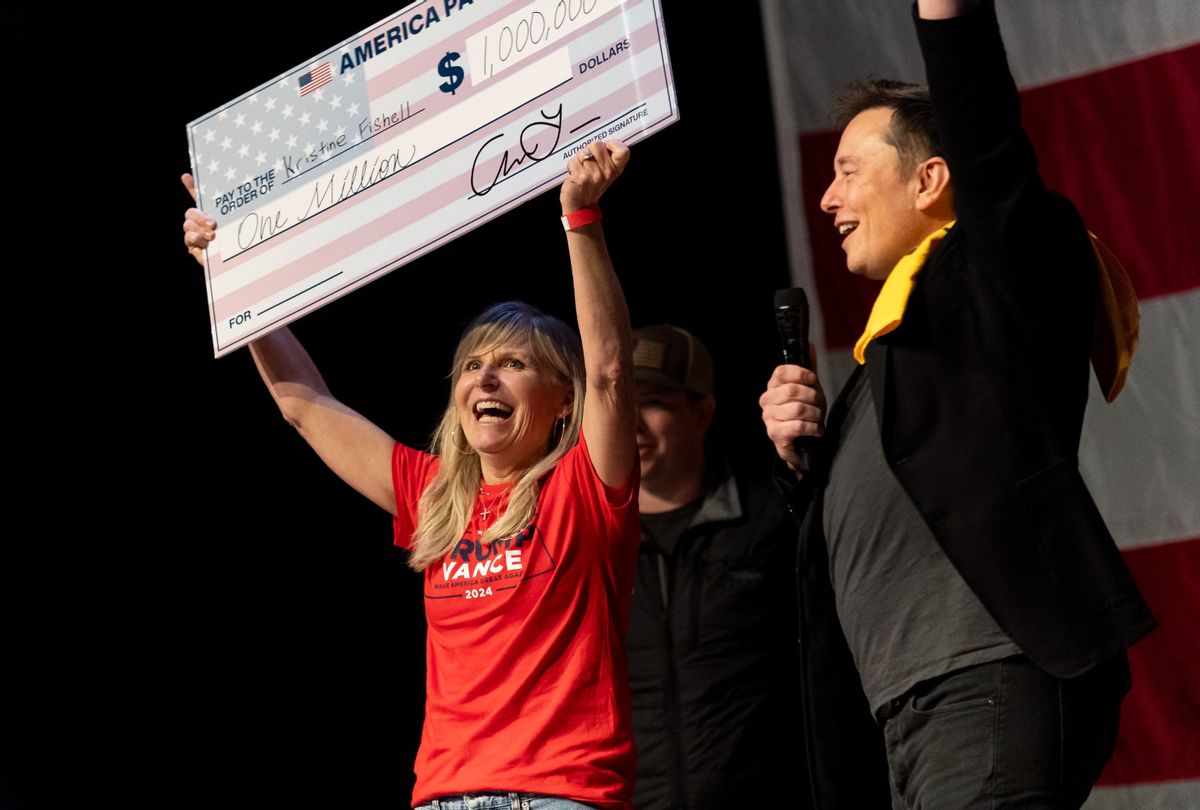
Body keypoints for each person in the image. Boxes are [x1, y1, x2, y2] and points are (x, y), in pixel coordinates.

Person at [758, 1, 1156, 808]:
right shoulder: (893, 359)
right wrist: (803, 467)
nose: (827, 201)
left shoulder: (1001, 279)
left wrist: (948, 15)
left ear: (932, 179)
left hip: (987, 676)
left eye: (847, 172)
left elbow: (986, 135)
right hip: (909, 713)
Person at [182, 140, 641, 810]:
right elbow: (303, 404)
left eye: (513, 363)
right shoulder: (434, 495)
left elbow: (608, 371)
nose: (485, 376)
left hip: (561, 795)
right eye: (472, 365)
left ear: (563, 398)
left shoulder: (583, 488)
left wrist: (582, 219)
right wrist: (232, 279)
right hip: (443, 797)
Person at [624, 325, 807, 809]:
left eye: (653, 402)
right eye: (618, 405)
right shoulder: (587, 547)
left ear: (701, 412)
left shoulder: (774, 518)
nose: (632, 424)